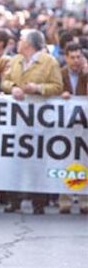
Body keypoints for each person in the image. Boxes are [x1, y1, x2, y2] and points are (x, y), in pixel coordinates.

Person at [1, 29, 63, 214]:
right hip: (17, 121)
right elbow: (4, 81)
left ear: (29, 43)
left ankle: (39, 202)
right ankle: (14, 200)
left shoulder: (49, 62)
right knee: (15, 161)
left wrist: (37, 88)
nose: (18, 42)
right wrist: (12, 88)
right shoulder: (15, 60)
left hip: (39, 123)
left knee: (38, 162)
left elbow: (58, 86)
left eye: (20, 39)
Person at [58, 42, 88, 214]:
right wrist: (60, 95)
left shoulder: (86, 74)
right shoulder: (61, 74)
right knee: (65, 163)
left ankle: (85, 200)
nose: (76, 61)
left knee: (84, 163)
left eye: (79, 57)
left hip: (84, 128)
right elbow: (53, 91)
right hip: (66, 128)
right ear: (66, 58)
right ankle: (65, 200)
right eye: (73, 57)